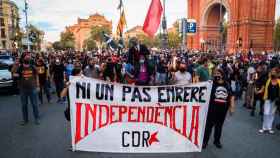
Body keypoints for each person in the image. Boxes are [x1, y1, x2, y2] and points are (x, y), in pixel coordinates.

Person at [203, 68, 235, 149]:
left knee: (219, 126)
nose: (217, 75)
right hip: (212, 108)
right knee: (208, 126)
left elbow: (231, 96)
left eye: (218, 73)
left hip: (223, 109)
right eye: (215, 74)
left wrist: (232, 107)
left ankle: (217, 141)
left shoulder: (227, 84)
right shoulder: (211, 83)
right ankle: (204, 142)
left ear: (222, 75)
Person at [16, 53, 40, 125]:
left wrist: (38, 86)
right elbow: (14, 73)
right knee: (24, 105)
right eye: (26, 57)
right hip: (23, 89)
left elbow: (37, 76)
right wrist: (15, 65)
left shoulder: (33, 67)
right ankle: (25, 120)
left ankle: (36, 119)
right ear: (23, 59)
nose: (28, 58)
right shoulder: (20, 67)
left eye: (28, 57)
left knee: (34, 104)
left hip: (33, 88)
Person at [259, 68, 280, 134]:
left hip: (275, 100)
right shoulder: (268, 80)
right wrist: (259, 91)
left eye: (274, 72)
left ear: (277, 74)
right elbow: (263, 88)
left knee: (272, 114)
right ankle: (264, 127)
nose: (272, 73)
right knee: (266, 113)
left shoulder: (279, 81)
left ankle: (269, 128)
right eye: (272, 72)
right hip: (267, 99)